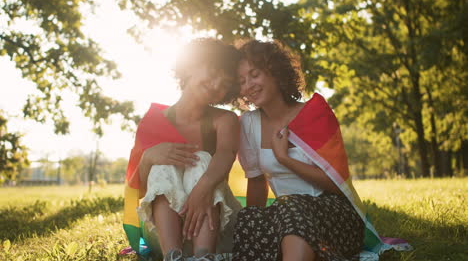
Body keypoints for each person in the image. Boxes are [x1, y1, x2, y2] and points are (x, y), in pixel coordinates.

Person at [233, 39, 410, 261]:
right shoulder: (248, 124)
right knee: (250, 217)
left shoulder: (315, 113)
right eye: (241, 81)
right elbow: (257, 182)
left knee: (292, 205)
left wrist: (284, 158)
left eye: (255, 74)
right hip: (286, 215)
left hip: (334, 215)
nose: (249, 84)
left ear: (274, 71)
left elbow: (337, 183)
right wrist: (256, 222)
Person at [123, 38, 242, 261]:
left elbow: (226, 154)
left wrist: (201, 191)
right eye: (214, 73)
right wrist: (148, 158)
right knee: (163, 161)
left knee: (203, 159)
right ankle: (173, 256)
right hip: (165, 233)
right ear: (191, 66)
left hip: (215, 224)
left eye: (225, 84)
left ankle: (203, 256)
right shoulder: (153, 122)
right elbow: (137, 190)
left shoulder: (224, 119)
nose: (216, 85)